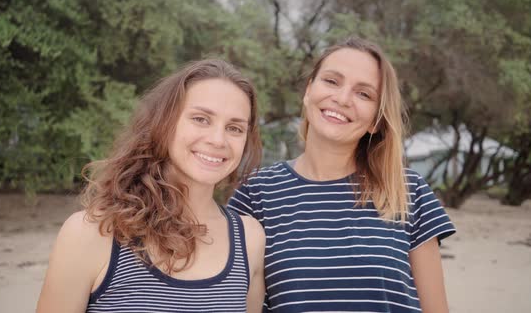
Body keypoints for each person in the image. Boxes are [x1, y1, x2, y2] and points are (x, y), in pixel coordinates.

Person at [228, 37, 456, 312]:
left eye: (364, 94)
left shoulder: (409, 189)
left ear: (376, 120)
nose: (342, 98)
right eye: (332, 81)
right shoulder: (256, 193)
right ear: (308, 90)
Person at [37, 59, 266, 313]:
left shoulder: (250, 240)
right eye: (201, 119)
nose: (217, 139)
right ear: (164, 122)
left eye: (235, 128)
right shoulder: (92, 233)